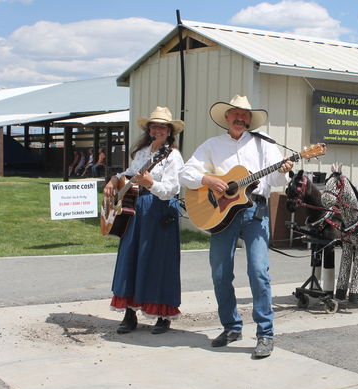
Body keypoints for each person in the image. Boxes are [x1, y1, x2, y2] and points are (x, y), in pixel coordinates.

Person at [178, 95, 293, 358]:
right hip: (220, 215)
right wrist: (208, 179)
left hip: (255, 213)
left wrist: (284, 169)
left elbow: (275, 179)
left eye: (245, 115)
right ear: (227, 118)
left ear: (250, 120)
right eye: (235, 114)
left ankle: (265, 333)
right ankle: (231, 327)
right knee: (220, 274)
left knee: (258, 271)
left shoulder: (265, 145)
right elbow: (184, 174)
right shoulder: (211, 146)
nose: (240, 119)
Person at [103, 106, 185, 335]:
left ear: (170, 131)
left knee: (158, 261)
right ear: (149, 129)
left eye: (162, 126)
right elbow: (129, 174)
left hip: (160, 211)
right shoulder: (142, 152)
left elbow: (172, 189)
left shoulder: (173, 156)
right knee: (130, 257)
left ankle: (162, 314)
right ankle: (130, 314)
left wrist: (151, 184)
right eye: (154, 125)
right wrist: (113, 179)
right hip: (135, 210)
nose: (157, 129)